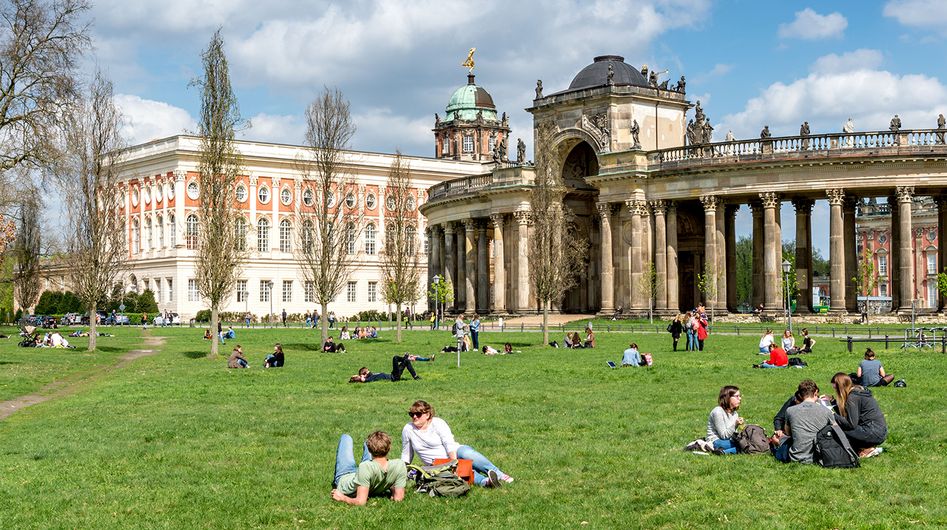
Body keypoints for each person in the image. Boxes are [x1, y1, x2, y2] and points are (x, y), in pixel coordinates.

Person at [401, 400, 512, 488]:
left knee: (467, 453)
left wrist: (453, 462)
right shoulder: (408, 429)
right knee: (460, 471)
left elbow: (449, 443)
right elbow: (407, 453)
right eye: (412, 414)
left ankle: (499, 474)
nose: (414, 417)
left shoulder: (438, 423)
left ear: (427, 414)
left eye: (418, 414)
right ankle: (487, 482)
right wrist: (402, 471)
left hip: (454, 452)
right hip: (437, 463)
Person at [331, 431, 406, 506]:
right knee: (362, 442)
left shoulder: (365, 467)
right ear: (389, 448)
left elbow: (360, 502)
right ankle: (368, 442)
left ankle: (368, 442)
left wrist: (342, 497)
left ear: (369, 450)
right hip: (363, 475)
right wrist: (393, 489)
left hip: (345, 475)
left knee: (346, 437)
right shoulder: (400, 465)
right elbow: (398, 498)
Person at [774, 379, 834, 463]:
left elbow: (788, 433)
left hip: (796, 456)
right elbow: (835, 430)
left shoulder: (790, 410)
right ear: (815, 392)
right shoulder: (826, 411)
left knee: (778, 439)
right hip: (821, 455)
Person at [830, 372, 887, 458]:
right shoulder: (857, 392)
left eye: (836, 389)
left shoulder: (853, 398)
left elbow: (851, 424)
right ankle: (866, 448)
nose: (836, 391)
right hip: (878, 431)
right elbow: (848, 415)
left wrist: (831, 414)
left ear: (840, 388)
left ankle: (865, 448)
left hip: (872, 432)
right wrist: (833, 402)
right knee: (839, 425)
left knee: (836, 428)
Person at [705, 386, 744, 455]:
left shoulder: (734, 413)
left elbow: (733, 434)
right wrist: (735, 424)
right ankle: (726, 451)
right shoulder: (718, 412)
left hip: (729, 440)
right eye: (737, 396)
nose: (740, 398)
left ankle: (723, 452)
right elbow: (724, 436)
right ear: (728, 398)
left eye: (740, 396)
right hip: (715, 441)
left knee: (746, 444)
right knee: (744, 446)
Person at [348, 355, 421, 382]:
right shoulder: (369, 378)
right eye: (367, 371)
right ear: (364, 374)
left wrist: (362, 375)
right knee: (395, 358)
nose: (369, 371)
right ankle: (406, 357)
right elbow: (359, 379)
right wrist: (361, 376)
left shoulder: (371, 375)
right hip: (394, 377)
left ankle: (415, 377)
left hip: (394, 375)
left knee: (406, 362)